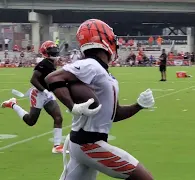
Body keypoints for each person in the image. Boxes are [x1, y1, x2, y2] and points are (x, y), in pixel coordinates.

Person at [45, 19, 155, 180]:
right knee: (143, 178)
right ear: (104, 39)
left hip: (82, 143)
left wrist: (138, 105)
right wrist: (72, 106)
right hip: (89, 143)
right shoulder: (91, 65)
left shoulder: (105, 73)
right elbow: (52, 78)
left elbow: (114, 114)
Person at [1, 41, 66, 153]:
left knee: (58, 117)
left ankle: (56, 146)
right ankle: (12, 104)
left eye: (55, 49)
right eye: (51, 50)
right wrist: (45, 90)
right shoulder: (43, 63)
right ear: (46, 52)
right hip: (38, 94)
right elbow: (33, 80)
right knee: (31, 121)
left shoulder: (52, 62)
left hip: (48, 95)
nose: (54, 51)